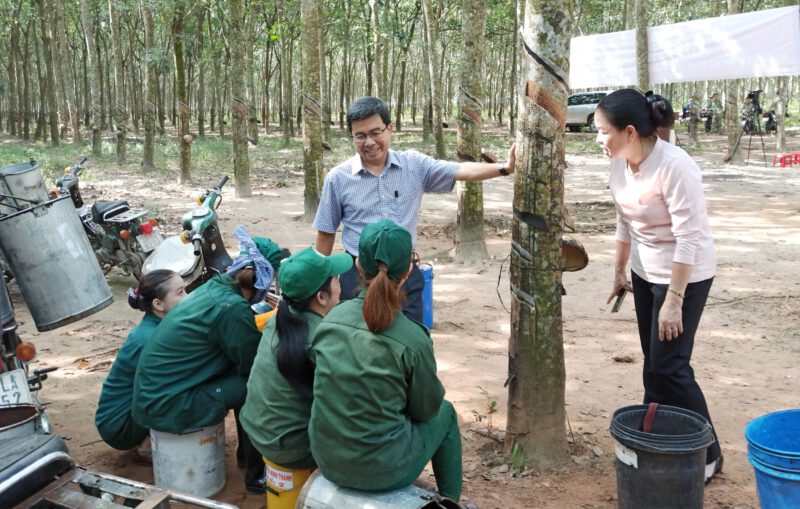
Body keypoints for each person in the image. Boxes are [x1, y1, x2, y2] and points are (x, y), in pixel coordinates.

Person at [595, 88, 723, 483]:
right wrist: (619, 271)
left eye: (603, 132)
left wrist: (674, 300)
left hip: (685, 276)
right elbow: (624, 220)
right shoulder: (619, 161)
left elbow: (689, 238)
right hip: (644, 272)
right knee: (653, 365)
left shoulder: (675, 166)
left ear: (630, 131)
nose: (598, 139)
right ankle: (658, 438)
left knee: (671, 367)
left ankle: (709, 454)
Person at [313, 96, 515, 323]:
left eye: (375, 132)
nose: (369, 142)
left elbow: (460, 170)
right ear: (352, 136)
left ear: (390, 129)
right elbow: (326, 233)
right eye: (360, 136)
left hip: (404, 274)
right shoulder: (338, 178)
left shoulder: (414, 166)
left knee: (410, 339)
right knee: (355, 340)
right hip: (357, 274)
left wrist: (505, 168)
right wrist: (318, 281)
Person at [309, 219, 463, 501]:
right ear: (407, 272)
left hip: (326, 459)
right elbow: (426, 410)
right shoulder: (413, 338)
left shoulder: (331, 319)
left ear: (358, 267)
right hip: (384, 471)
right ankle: (452, 502)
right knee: (447, 413)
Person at [132, 226, 275, 493]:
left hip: (158, 393)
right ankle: (256, 476)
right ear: (255, 276)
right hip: (170, 402)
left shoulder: (215, 289)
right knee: (254, 387)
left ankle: (246, 456)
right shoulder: (231, 308)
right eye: (270, 276)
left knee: (240, 380)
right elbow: (253, 366)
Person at [240, 247, 351, 473]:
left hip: (256, 430)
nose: (341, 284)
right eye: (336, 279)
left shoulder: (278, 318)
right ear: (321, 297)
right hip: (291, 450)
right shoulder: (324, 339)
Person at [95, 270, 186, 462]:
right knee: (187, 392)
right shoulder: (151, 339)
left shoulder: (158, 328)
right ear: (158, 304)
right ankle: (147, 446)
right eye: (180, 292)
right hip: (120, 425)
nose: (187, 297)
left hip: (122, 415)